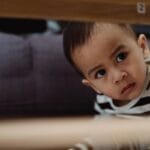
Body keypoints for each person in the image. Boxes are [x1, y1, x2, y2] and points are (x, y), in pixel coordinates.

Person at [63, 22, 150, 150]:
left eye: (121, 57)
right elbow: (97, 139)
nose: (118, 77)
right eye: (101, 73)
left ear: (142, 48)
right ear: (93, 86)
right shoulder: (104, 102)